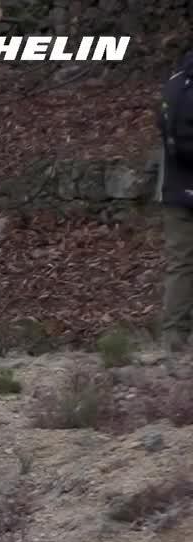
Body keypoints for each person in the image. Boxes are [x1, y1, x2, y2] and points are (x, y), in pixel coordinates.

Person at [157, 50, 193, 352]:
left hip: (174, 188)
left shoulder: (174, 83)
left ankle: (173, 337)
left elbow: (163, 128)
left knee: (180, 264)